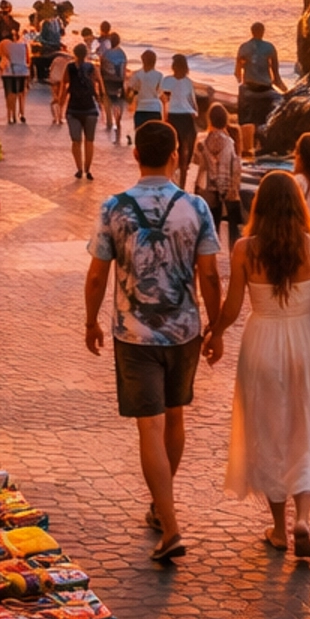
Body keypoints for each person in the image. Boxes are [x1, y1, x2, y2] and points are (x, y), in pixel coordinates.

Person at [208, 168, 310, 559]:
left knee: (269, 434)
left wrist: (213, 333)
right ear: (298, 205)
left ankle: (280, 530)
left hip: (261, 342)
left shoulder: (244, 249)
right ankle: (303, 519)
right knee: (304, 426)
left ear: (260, 206)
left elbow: (232, 307)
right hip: (306, 344)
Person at [84, 118, 222, 565]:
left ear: (136, 155)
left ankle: (172, 525)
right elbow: (209, 274)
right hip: (185, 330)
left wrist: (91, 321)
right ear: (176, 155)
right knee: (175, 416)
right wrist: (215, 327)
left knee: (150, 426)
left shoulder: (114, 208)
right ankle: (160, 510)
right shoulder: (196, 208)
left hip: (134, 333)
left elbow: (96, 273)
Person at [195, 102, 243, 249]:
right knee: (234, 229)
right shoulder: (230, 142)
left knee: (208, 230)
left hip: (206, 189)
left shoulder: (202, 141)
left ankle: (207, 261)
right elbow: (235, 167)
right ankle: (234, 257)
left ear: (210, 119)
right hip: (226, 189)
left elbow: (197, 162)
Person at [234, 20, 285, 157]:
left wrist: (246, 70)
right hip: (265, 88)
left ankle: (246, 148)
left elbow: (237, 74)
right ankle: (263, 144)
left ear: (252, 32)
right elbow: (277, 77)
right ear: (263, 32)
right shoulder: (269, 48)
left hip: (249, 88)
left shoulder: (244, 47)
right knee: (279, 104)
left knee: (244, 99)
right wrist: (286, 92)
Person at [160, 53, 201, 186]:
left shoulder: (167, 81)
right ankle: (179, 184)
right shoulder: (187, 82)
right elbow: (192, 101)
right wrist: (196, 113)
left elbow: (163, 100)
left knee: (178, 152)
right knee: (184, 152)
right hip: (184, 117)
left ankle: (176, 182)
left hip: (175, 116)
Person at [64, 42, 103, 179]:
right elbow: (100, 85)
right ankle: (88, 169)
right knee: (89, 141)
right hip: (90, 109)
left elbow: (65, 85)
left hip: (73, 108)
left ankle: (79, 169)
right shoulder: (92, 67)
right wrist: (101, 103)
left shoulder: (69, 67)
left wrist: (60, 102)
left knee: (76, 141)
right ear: (86, 54)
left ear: (74, 54)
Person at [128, 49, 164, 139]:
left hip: (141, 108)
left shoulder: (137, 74)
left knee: (140, 136)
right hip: (155, 108)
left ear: (142, 60)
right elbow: (160, 92)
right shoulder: (159, 75)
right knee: (155, 137)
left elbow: (130, 89)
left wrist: (129, 99)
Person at [100, 29, 127, 141]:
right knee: (119, 102)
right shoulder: (122, 54)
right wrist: (123, 81)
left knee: (107, 101)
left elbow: (102, 69)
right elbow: (123, 71)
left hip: (107, 80)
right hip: (119, 81)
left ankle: (109, 122)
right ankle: (118, 121)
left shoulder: (106, 53)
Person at [0, 23, 31, 124]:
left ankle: (10, 116)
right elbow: (28, 59)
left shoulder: (4, 45)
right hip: (22, 71)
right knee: (21, 94)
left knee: (9, 94)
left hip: (9, 72)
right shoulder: (24, 45)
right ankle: (22, 113)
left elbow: (1, 59)